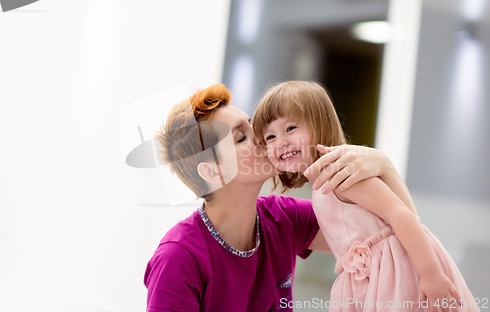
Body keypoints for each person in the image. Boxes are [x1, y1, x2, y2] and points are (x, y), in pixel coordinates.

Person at [144, 84, 418, 312]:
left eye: (252, 126)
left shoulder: (284, 218)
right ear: (213, 171)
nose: (263, 138)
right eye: (241, 138)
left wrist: (385, 167)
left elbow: (399, 235)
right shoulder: (178, 259)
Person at [253, 80, 480, 312]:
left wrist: (431, 274)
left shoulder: (341, 172)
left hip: (397, 273)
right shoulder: (321, 187)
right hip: (371, 282)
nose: (280, 142)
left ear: (319, 125)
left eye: (290, 129)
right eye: (270, 138)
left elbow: (400, 214)